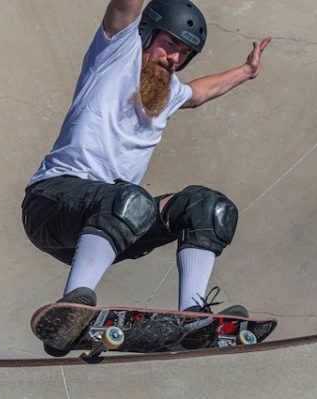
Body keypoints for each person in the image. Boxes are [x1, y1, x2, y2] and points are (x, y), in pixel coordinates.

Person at [22, 0, 271, 334]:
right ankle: (72, 308)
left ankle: (193, 318)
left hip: (108, 225)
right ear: (146, 32)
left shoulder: (169, 93)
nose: (173, 59)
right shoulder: (115, 52)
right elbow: (126, 6)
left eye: (184, 53)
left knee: (210, 208)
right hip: (50, 205)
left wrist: (247, 71)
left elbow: (199, 92)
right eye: (169, 44)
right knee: (130, 199)